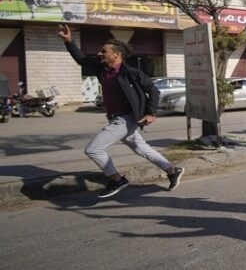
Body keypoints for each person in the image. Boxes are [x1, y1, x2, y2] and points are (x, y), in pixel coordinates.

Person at [57, 24, 184, 198]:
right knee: (142, 149)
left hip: (126, 119)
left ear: (116, 55)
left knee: (93, 149)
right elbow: (81, 59)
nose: (99, 54)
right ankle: (172, 171)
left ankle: (116, 179)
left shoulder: (131, 73)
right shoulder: (101, 68)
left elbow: (153, 90)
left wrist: (151, 113)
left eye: (104, 51)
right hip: (114, 118)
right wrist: (69, 41)